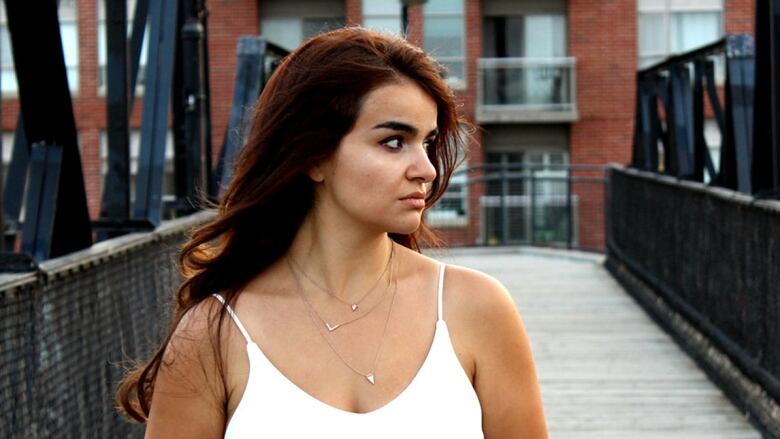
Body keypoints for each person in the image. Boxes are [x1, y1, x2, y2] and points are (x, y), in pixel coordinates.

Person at [116, 27, 548, 438]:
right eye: (394, 142)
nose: (427, 170)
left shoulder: (475, 309)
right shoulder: (214, 333)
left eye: (428, 142)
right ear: (313, 157)